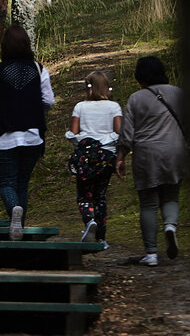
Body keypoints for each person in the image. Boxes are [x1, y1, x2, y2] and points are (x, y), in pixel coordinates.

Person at [0, 24, 54, 241]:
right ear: (27, 44)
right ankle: (18, 229)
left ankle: (14, 211)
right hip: (33, 136)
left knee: (7, 183)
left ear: (4, 46)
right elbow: (49, 100)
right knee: (22, 183)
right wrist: (34, 112)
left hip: (5, 136)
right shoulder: (39, 69)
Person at [116, 56, 186, 267]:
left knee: (148, 203)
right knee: (171, 196)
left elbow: (127, 134)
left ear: (140, 76)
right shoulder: (178, 93)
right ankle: (170, 227)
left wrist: (120, 157)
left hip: (147, 155)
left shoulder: (136, 98)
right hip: (175, 151)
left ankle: (151, 254)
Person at [65, 71, 122, 249]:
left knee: (84, 194)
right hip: (106, 156)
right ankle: (101, 238)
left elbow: (73, 133)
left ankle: (89, 220)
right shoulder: (114, 107)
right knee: (101, 195)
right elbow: (120, 132)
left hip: (86, 157)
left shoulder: (80, 107)